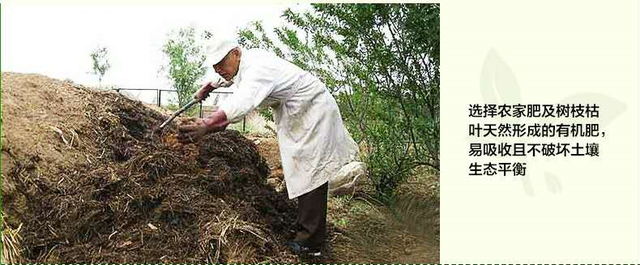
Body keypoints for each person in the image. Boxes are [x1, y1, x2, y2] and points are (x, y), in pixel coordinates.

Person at [177, 38, 359, 256]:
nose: (219, 69)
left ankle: (310, 243)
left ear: (235, 53)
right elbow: (224, 78)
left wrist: (208, 123)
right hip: (299, 112)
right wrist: (207, 87)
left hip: (313, 109)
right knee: (302, 169)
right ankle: (305, 226)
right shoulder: (241, 64)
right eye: (214, 66)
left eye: (221, 63)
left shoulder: (258, 68)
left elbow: (243, 101)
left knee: (312, 171)